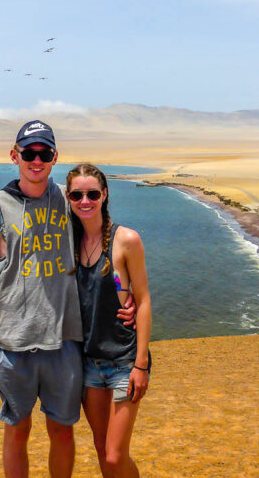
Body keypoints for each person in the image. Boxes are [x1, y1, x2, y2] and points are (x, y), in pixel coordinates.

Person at [0, 121, 135, 478]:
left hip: (64, 343)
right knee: (17, 430)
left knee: (61, 430)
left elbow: (103, 244)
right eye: (29, 153)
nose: (36, 161)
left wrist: (125, 294)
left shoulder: (71, 200)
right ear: (14, 155)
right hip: (13, 345)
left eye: (44, 154)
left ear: (54, 158)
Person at [66, 163, 152, 478]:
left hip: (124, 363)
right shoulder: (68, 245)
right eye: (77, 194)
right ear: (69, 197)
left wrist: (141, 365)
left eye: (92, 193)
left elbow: (142, 301)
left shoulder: (125, 240)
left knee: (116, 457)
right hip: (88, 365)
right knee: (102, 450)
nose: (84, 201)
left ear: (104, 195)